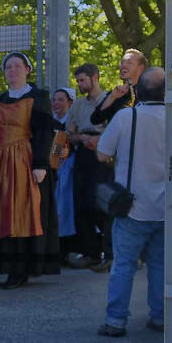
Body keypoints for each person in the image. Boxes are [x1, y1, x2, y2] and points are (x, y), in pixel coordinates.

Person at [0, 53, 59, 288]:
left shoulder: (38, 97)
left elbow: (44, 132)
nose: (12, 70)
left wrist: (40, 164)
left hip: (24, 158)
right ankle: (0, 265)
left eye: (17, 66)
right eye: (8, 67)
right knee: (0, 211)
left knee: (21, 211)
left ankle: (20, 268)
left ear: (27, 69)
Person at [97, 67, 169, 337]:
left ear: (137, 91)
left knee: (123, 265)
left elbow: (102, 154)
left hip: (131, 207)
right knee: (160, 265)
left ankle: (115, 321)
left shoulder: (127, 117)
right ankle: (160, 317)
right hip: (167, 209)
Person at [65, 63, 112, 270]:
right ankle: (90, 252)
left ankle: (111, 253)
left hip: (103, 155)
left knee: (101, 203)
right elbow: (69, 134)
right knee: (81, 204)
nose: (80, 84)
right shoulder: (77, 105)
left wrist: (100, 140)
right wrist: (80, 138)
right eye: (78, 80)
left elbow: (117, 129)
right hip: (83, 155)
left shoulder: (110, 100)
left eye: (82, 79)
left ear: (95, 77)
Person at [50, 88, 79, 249]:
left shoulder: (73, 122)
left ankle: (70, 245)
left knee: (68, 206)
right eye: (54, 100)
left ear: (70, 102)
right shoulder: (50, 122)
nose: (56, 103)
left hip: (69, 168)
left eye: (61, 100)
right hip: (54, 168)